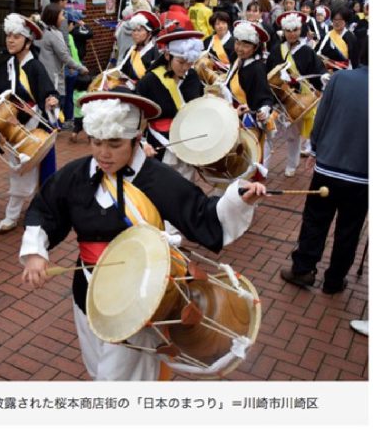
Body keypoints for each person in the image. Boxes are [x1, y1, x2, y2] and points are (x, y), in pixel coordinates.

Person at [19, 88, 268, 380]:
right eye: (96, 142)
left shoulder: (156, 178)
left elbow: (202, 214)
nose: (103, 153)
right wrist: (36, 252)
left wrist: (238, 199)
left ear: (137, 139)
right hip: (87, 290)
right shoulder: (76, 175)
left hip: (141, 297)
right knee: (97, 365)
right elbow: (45, 209)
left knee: (119, 381)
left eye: (114, 143)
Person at [281, 36, 368, 294]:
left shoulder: (340, 79)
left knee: (315, 221)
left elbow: (321, 118)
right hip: (363, 175)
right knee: (349, 230)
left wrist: (314, 150)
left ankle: (303, 269)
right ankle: (334, 279)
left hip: (329, 165)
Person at [0, 13, 59, 232]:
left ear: (28, 41)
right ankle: (25, 210)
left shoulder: (36, 68)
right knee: (21, 171)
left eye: (16, 37)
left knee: (28, 172)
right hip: (11, 128)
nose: (10, 40)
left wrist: (51, 101)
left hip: (33, 127)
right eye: (8, 35)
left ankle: (18, 214)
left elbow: (48, 92)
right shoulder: (6, 65)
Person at [266, 11, 327, 178]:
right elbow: (268, 73)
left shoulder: (307, 51)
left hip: (300, 99)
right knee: (272, 132)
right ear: (283, 31)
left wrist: (323, 77)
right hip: (279, 98)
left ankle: (292, 163)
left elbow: (318, 70)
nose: (291, 33)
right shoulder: (276, 50)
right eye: (288, 30)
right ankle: (264, 165)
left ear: (300, 30)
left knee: (295, 134)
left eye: (295, 29)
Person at [137, 29, 204, 179]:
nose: (185, 67)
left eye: (190, 62)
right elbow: (136, 115)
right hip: (159, 144)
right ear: (167, 55)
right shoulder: (150, 80)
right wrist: (142, 143)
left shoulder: (192, 76)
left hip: (188, 142)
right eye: (180, 62)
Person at [224, 20, 276, 172]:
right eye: (238, 43)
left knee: (245, 160)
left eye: (246, 46)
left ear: (255, 48)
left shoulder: (257, 68)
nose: (240, 48)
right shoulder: (237, 59)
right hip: (234, 115)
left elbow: (266, 97)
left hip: (248, 121)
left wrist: (264, 109)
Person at [35, 3, 89, 122]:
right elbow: (65, 56)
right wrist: (81, 68)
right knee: (54, 113)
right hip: (53, 80)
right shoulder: (53, 34)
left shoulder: (40, 31)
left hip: (42, 77)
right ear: (54, 16)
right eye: (61, 15)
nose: (63, 18)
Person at [119, 10, 161, 82]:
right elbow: (123, 72)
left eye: (139, 30)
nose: (135, 33)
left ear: (149, 33)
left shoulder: (155, 54)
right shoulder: (129, 51)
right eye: (133, 30)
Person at [317, 5, 359, 70]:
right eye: (334, 19)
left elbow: (354, 60)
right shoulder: (328, 35)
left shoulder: (350, 37)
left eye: (340, 20)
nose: (336, 22)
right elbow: (318, 53)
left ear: (345, 21)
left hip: (344, 72)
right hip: (326, 71)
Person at [115, 0, 152, 65]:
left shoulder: (122, 25)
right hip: (136, 67)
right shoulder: (146, 30)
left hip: (121, 63)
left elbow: (116, 36)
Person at [69, 73, 92, 143]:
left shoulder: (75, 92)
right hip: (85, 115)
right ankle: (91, 138)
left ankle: (74, 134)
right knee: (89, 127)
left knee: (77, 127)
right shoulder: (85, 95)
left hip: (77, 115)